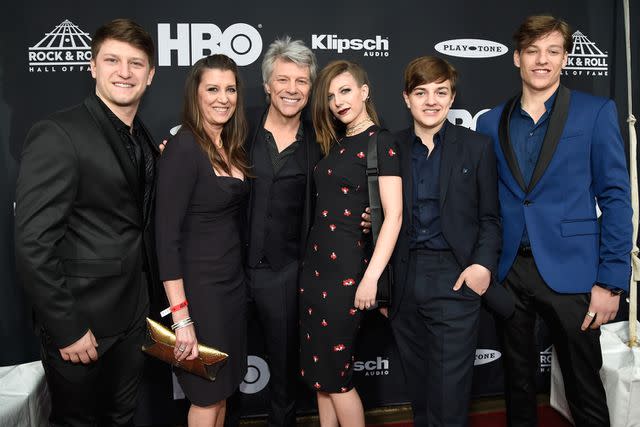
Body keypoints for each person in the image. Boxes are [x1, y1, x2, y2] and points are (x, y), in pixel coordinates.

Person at [476, 15, 632, 426]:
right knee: (517, 385)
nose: (542, 61)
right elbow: (483, 201)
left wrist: (611, 281)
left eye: (552, 51)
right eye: (533, 51)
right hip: (510, 272)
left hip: (574, 272)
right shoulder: (490, 122)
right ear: (517, 58)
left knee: (585, 387)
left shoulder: (596, 112)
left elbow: (616, 199)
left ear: (565, 57)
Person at [15, 19, 158, 426]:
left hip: (132, 318)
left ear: (150, 75)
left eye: (136, 63)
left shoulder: (143, 137)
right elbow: (33, 244)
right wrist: (67, 327)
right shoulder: (59, 133)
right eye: (112, 60)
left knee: (122, 417)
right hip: (82, 323)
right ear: (93, 66)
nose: (124, 72)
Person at [388, 56, 501, 426]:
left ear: (452, 98)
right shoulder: (391, 148)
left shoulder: (477, 147)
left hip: (455, 278)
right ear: (407, 98)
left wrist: (481, 267)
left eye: (441, 92)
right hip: (404, 281)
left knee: (450, 398)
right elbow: (384, 214)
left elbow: (490, 217)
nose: (431, 101)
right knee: (418, 392)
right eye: (421, 92)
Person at [299, 60, 402, 427]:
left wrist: (371, 278)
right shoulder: (338, 144)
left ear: (365, 91)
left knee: (337, 380)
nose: (338, 101)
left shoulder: (381, 142)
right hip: (314, 273)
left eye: (345, 91)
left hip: (348, 274)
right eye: (330, 96)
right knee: (321, 376)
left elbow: (394, 216)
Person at [155, 54, 250, 427]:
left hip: (232, 289)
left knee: (223, 393)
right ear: (195, 94)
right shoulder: (183, 148)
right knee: (206, 397)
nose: (222, 98)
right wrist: (182, 318)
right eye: (212, 88)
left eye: (230, 89)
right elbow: (166, 238)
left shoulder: (232, 145)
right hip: (199, 294)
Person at [240, 37, 321, 427]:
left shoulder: (319, 142)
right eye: (283, 79)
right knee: (219, 373)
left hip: (285, 273)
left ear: (310, 88)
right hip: (231, 271)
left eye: (301, 81)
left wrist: (367, 216)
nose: (292, 89)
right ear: (267, 84)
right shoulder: (238, 126)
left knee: (285, 379)